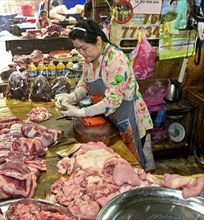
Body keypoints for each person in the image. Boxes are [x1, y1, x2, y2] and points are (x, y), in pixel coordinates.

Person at [55, 20, 153, 168]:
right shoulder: (90, 59)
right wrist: (71, 97)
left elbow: (112, 102)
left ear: (98, 41)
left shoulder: (116, 60)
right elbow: (85, 85)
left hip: (129, 119)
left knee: (131, 167)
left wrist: (80, 112)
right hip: (110, 120)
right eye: (78, 49)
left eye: (84, 48)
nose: (82, 53)